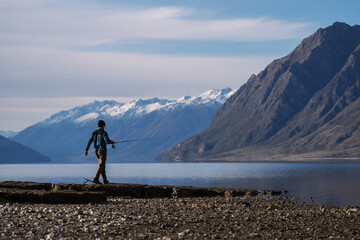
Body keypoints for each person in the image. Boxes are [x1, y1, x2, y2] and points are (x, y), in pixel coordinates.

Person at [84, 120, 115, 184]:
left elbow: (89, 141)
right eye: (104, 125)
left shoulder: (94, 133)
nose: (105, 127)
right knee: (101, 165)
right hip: (102, 151)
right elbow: (107, 141)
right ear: (103, 126)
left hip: (96, 151)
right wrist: (112, 142)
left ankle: (105, 180)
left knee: (102, 165)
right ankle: (96, 178)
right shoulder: (104, 133)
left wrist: (86, 150)